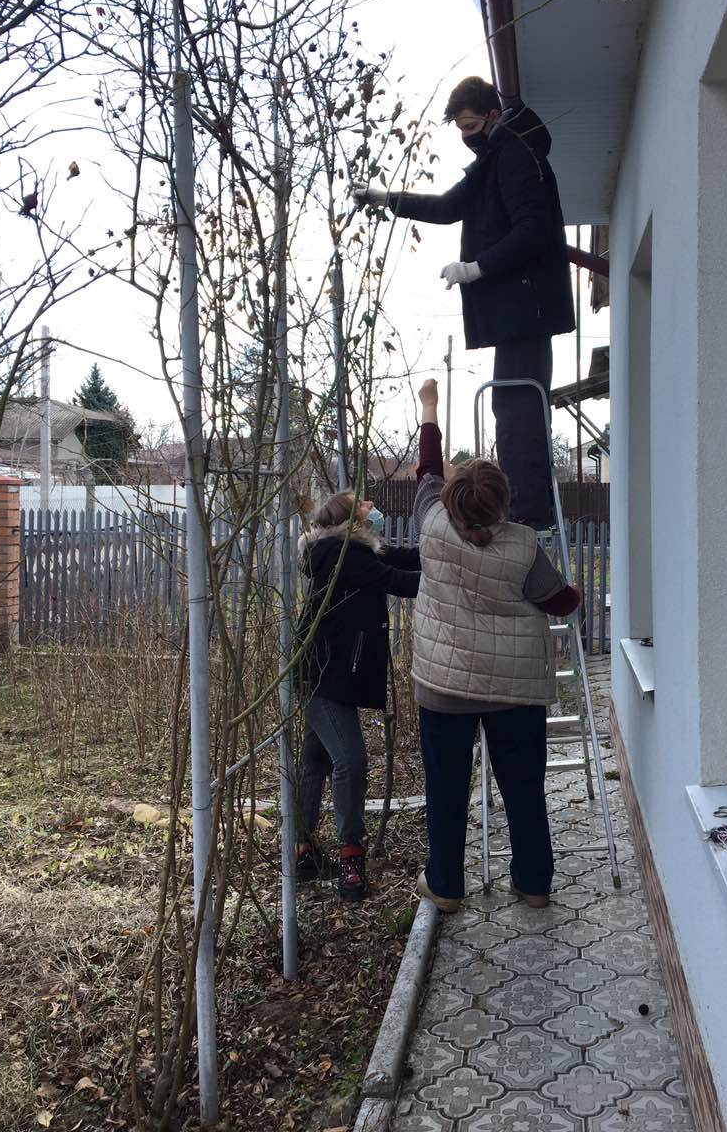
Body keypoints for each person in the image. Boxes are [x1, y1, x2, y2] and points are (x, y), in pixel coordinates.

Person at [353, 76, 575, 529]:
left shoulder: (515, 155)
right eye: (459, 129)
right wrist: (386, 199)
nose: (466, 136)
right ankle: (525, 510)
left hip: (526, 308)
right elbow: (447, 206)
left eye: (470, 126)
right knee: (511, 406)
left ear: (493, 116)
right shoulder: (493, 158)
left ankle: (529, 515)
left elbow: (533, 229)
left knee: (517, 409)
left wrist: (478, 268)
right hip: (516, 312)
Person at [410, 378, 581, 912]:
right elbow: (557, 601)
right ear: (503, 503)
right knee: (523, 789)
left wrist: (429, 406)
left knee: (446, 790)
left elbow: (428, 466)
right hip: (514, 691)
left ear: (450, 498)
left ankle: (445, 887)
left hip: (444, 687)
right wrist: (577, 593)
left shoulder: (430, 520)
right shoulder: (524, 546)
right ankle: (534, 884)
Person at [296, 490, 420, 901]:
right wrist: (451, 580)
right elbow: (399, 581)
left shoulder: (353, 549)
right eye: (364, 503)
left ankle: (302, 850)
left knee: (315, 762)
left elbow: (402, 558)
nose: (372, 506)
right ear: (352, 519)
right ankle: (351, 856)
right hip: (325, 678)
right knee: (350, 762)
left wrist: (445, 554)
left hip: (331, 673)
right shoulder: (343, 556)